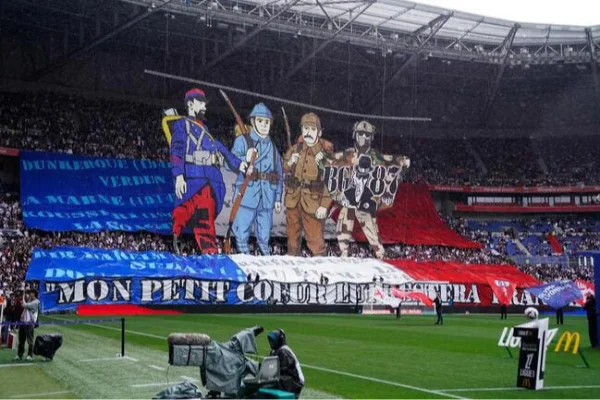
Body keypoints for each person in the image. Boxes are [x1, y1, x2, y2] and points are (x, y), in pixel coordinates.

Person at [164, 88, 247, 254]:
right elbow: (177, 150)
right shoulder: (182, 124)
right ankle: (175, 240)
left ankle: (209, 252)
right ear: (190, 104)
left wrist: (239, 165)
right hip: (193, 177)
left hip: (209, 180)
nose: (205, 107)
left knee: (205, 218)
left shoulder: (205, 129)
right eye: (201, 103)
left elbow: (220, 148)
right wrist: (179, 175)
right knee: (184, 210)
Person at [230, 103, 283, 255]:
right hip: (247, 194)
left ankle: (265, 258)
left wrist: (278, 197)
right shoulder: (242, 141)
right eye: (260, 121)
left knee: (264, 236)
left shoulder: (273, 147)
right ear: (253, 122)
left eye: (267, 122)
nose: (264, 125)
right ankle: (244, 257)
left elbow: (278, 173)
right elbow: (229, 162)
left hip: (267, 197)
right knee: (242, 233)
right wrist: (244, 160)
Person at [283, 113, 332, 256]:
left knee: (315, 239)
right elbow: (284, 167)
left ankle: (320, 266)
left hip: (313, 202)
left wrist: (324, 205)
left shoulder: (324, 154)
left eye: (312, 129)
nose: (308, 132)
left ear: (319, 132)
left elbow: (330, 181)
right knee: (292, 236)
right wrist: (290, 162)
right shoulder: (295, 149)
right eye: (305, 128)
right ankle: (292, 262)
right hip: (293, 199)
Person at [267, 329, 304, 399]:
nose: (271, 343)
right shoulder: (275, 351)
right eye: (270, 341)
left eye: (273, 341)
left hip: (295, 381)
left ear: (279, 340)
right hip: (288, 379)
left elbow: (286, 372)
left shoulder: (284, 352)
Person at [14, 289, 39, 361]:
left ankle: (30, 355)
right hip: (23, 322)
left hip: (30, 323)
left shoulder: (36, 302)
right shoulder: (29, 301)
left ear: (34, 294)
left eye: (31, 293)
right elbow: (25, 308)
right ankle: (20, 355)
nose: (29, 294)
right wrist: (22, 314)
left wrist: (24, 303)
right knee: (21, 340)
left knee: (30, 340)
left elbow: (26, 305)